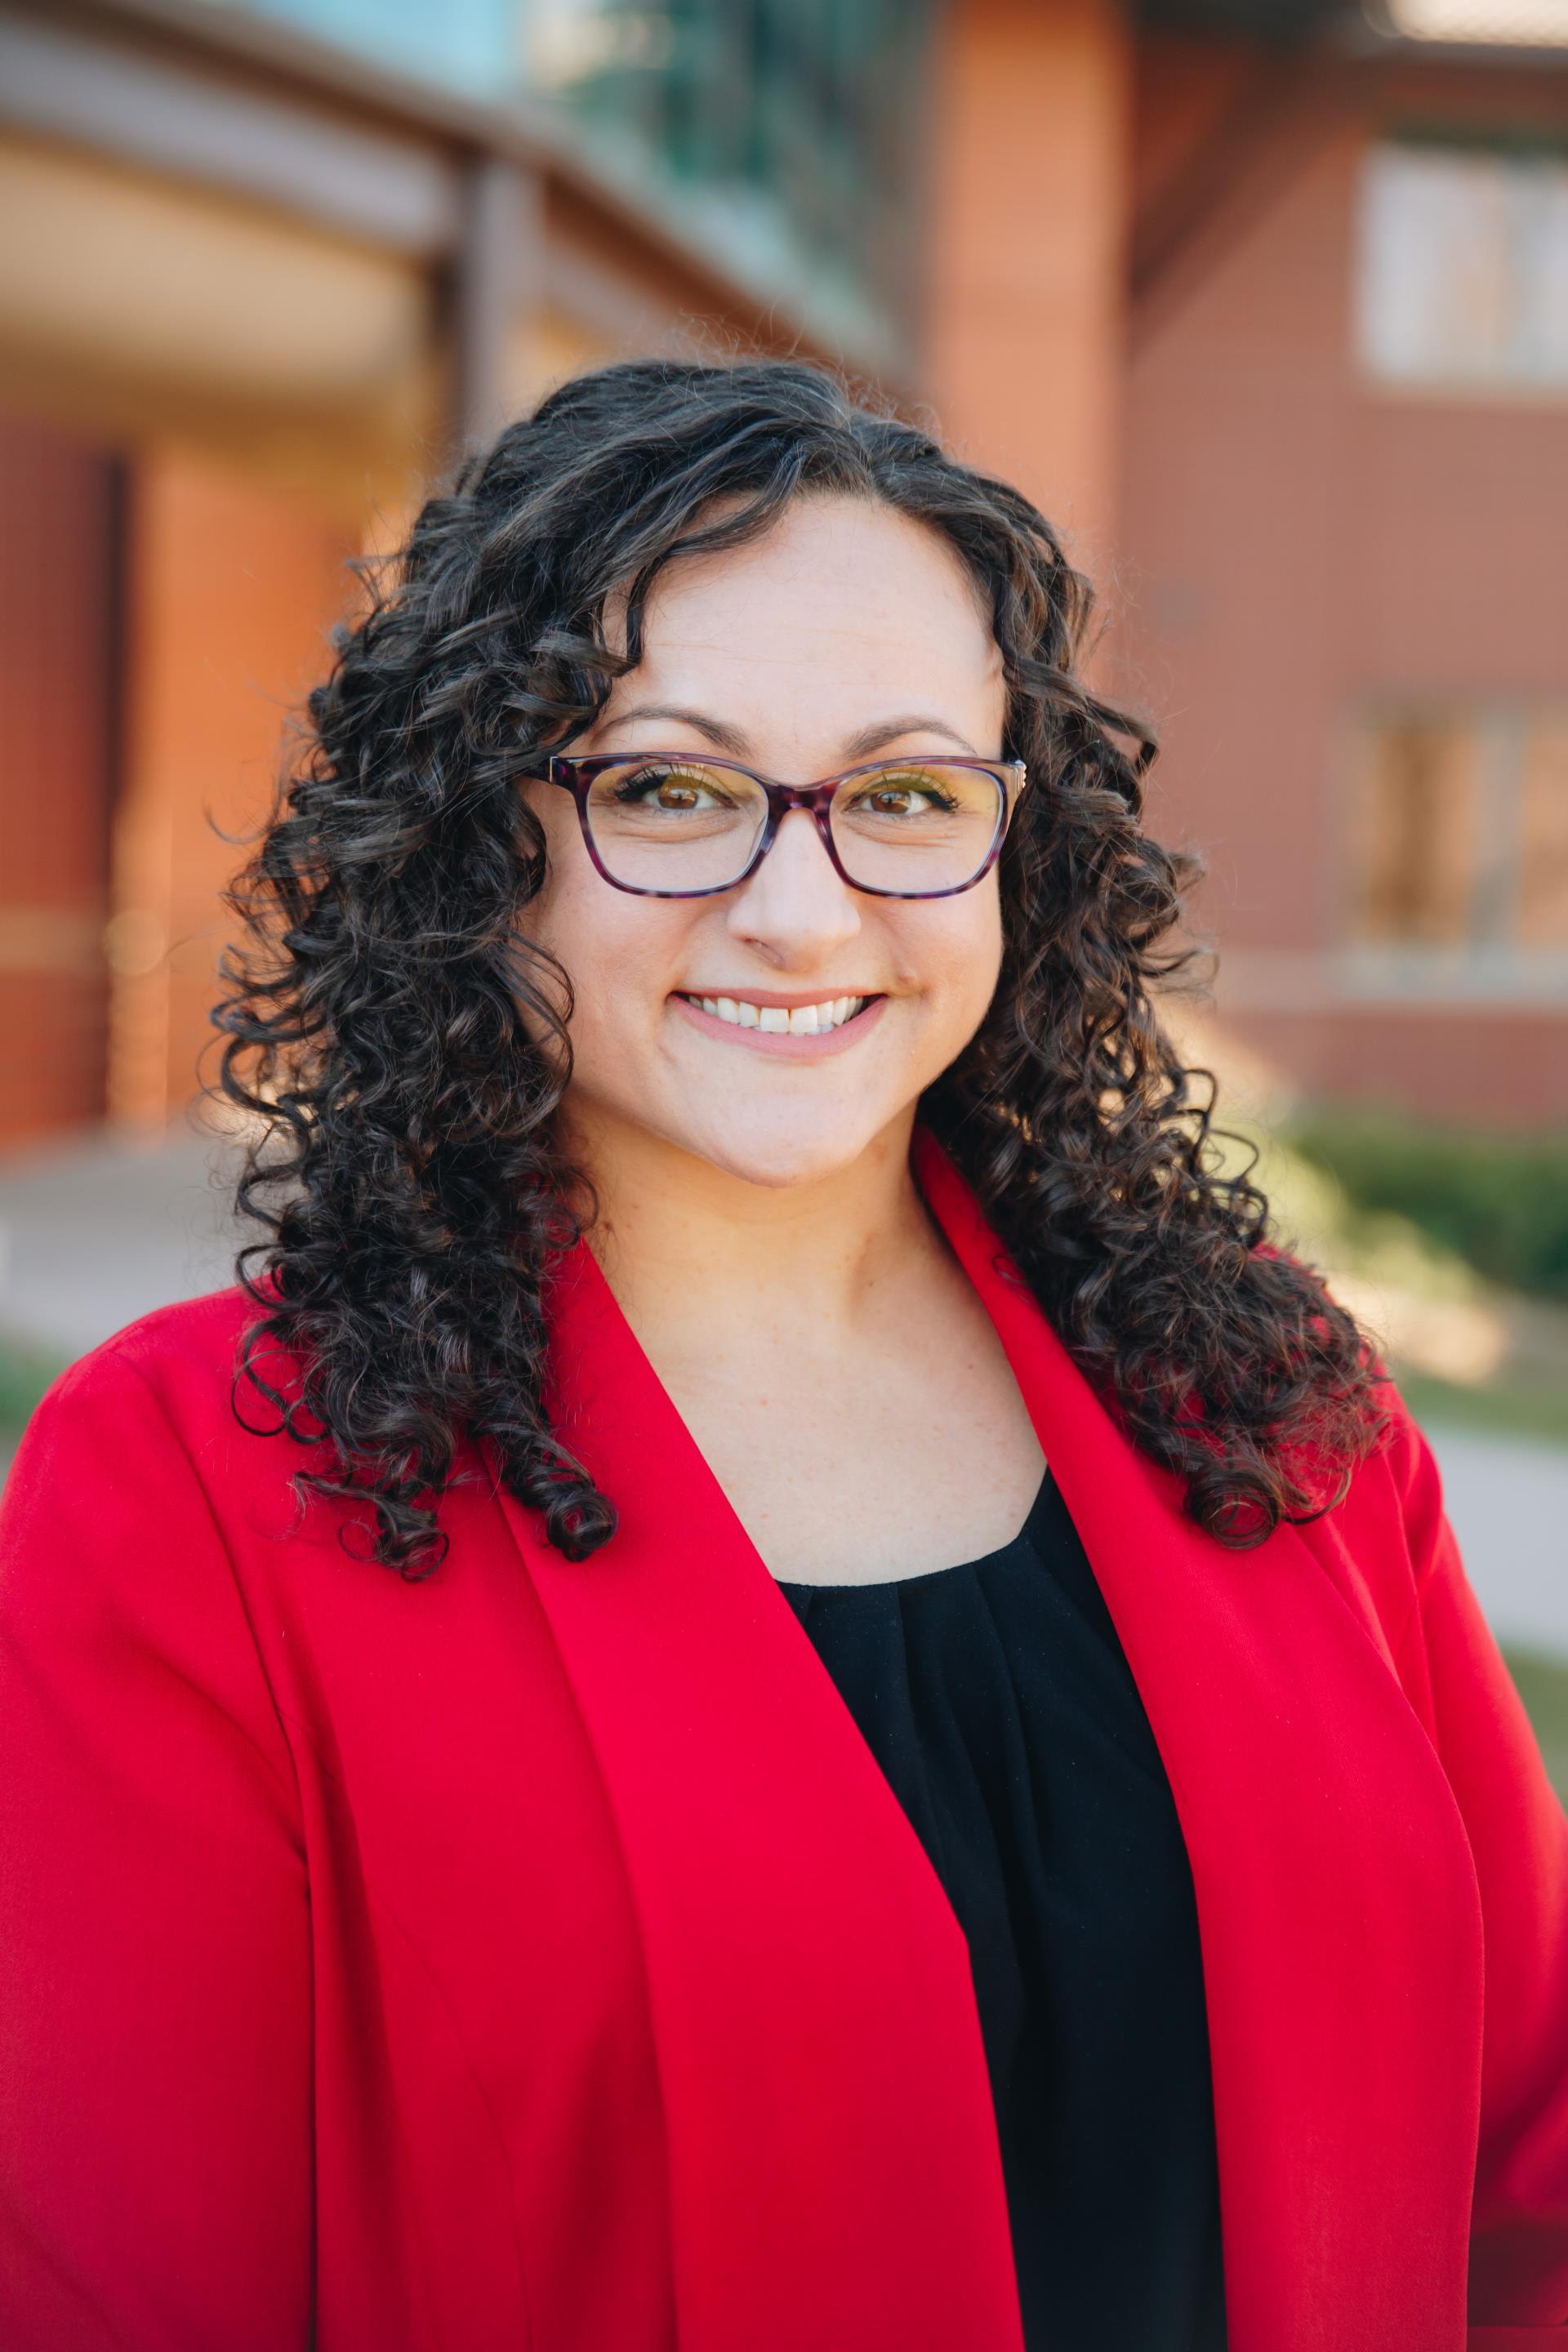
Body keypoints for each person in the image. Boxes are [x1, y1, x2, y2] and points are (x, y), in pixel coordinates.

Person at [0, 359, 1564, 2352]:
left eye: (907, 794)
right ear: (482, 839)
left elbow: (1530, 2182)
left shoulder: (1270, 1407)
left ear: (1020, 850)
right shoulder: (206, 1487)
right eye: (670, 785)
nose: (803, 907)